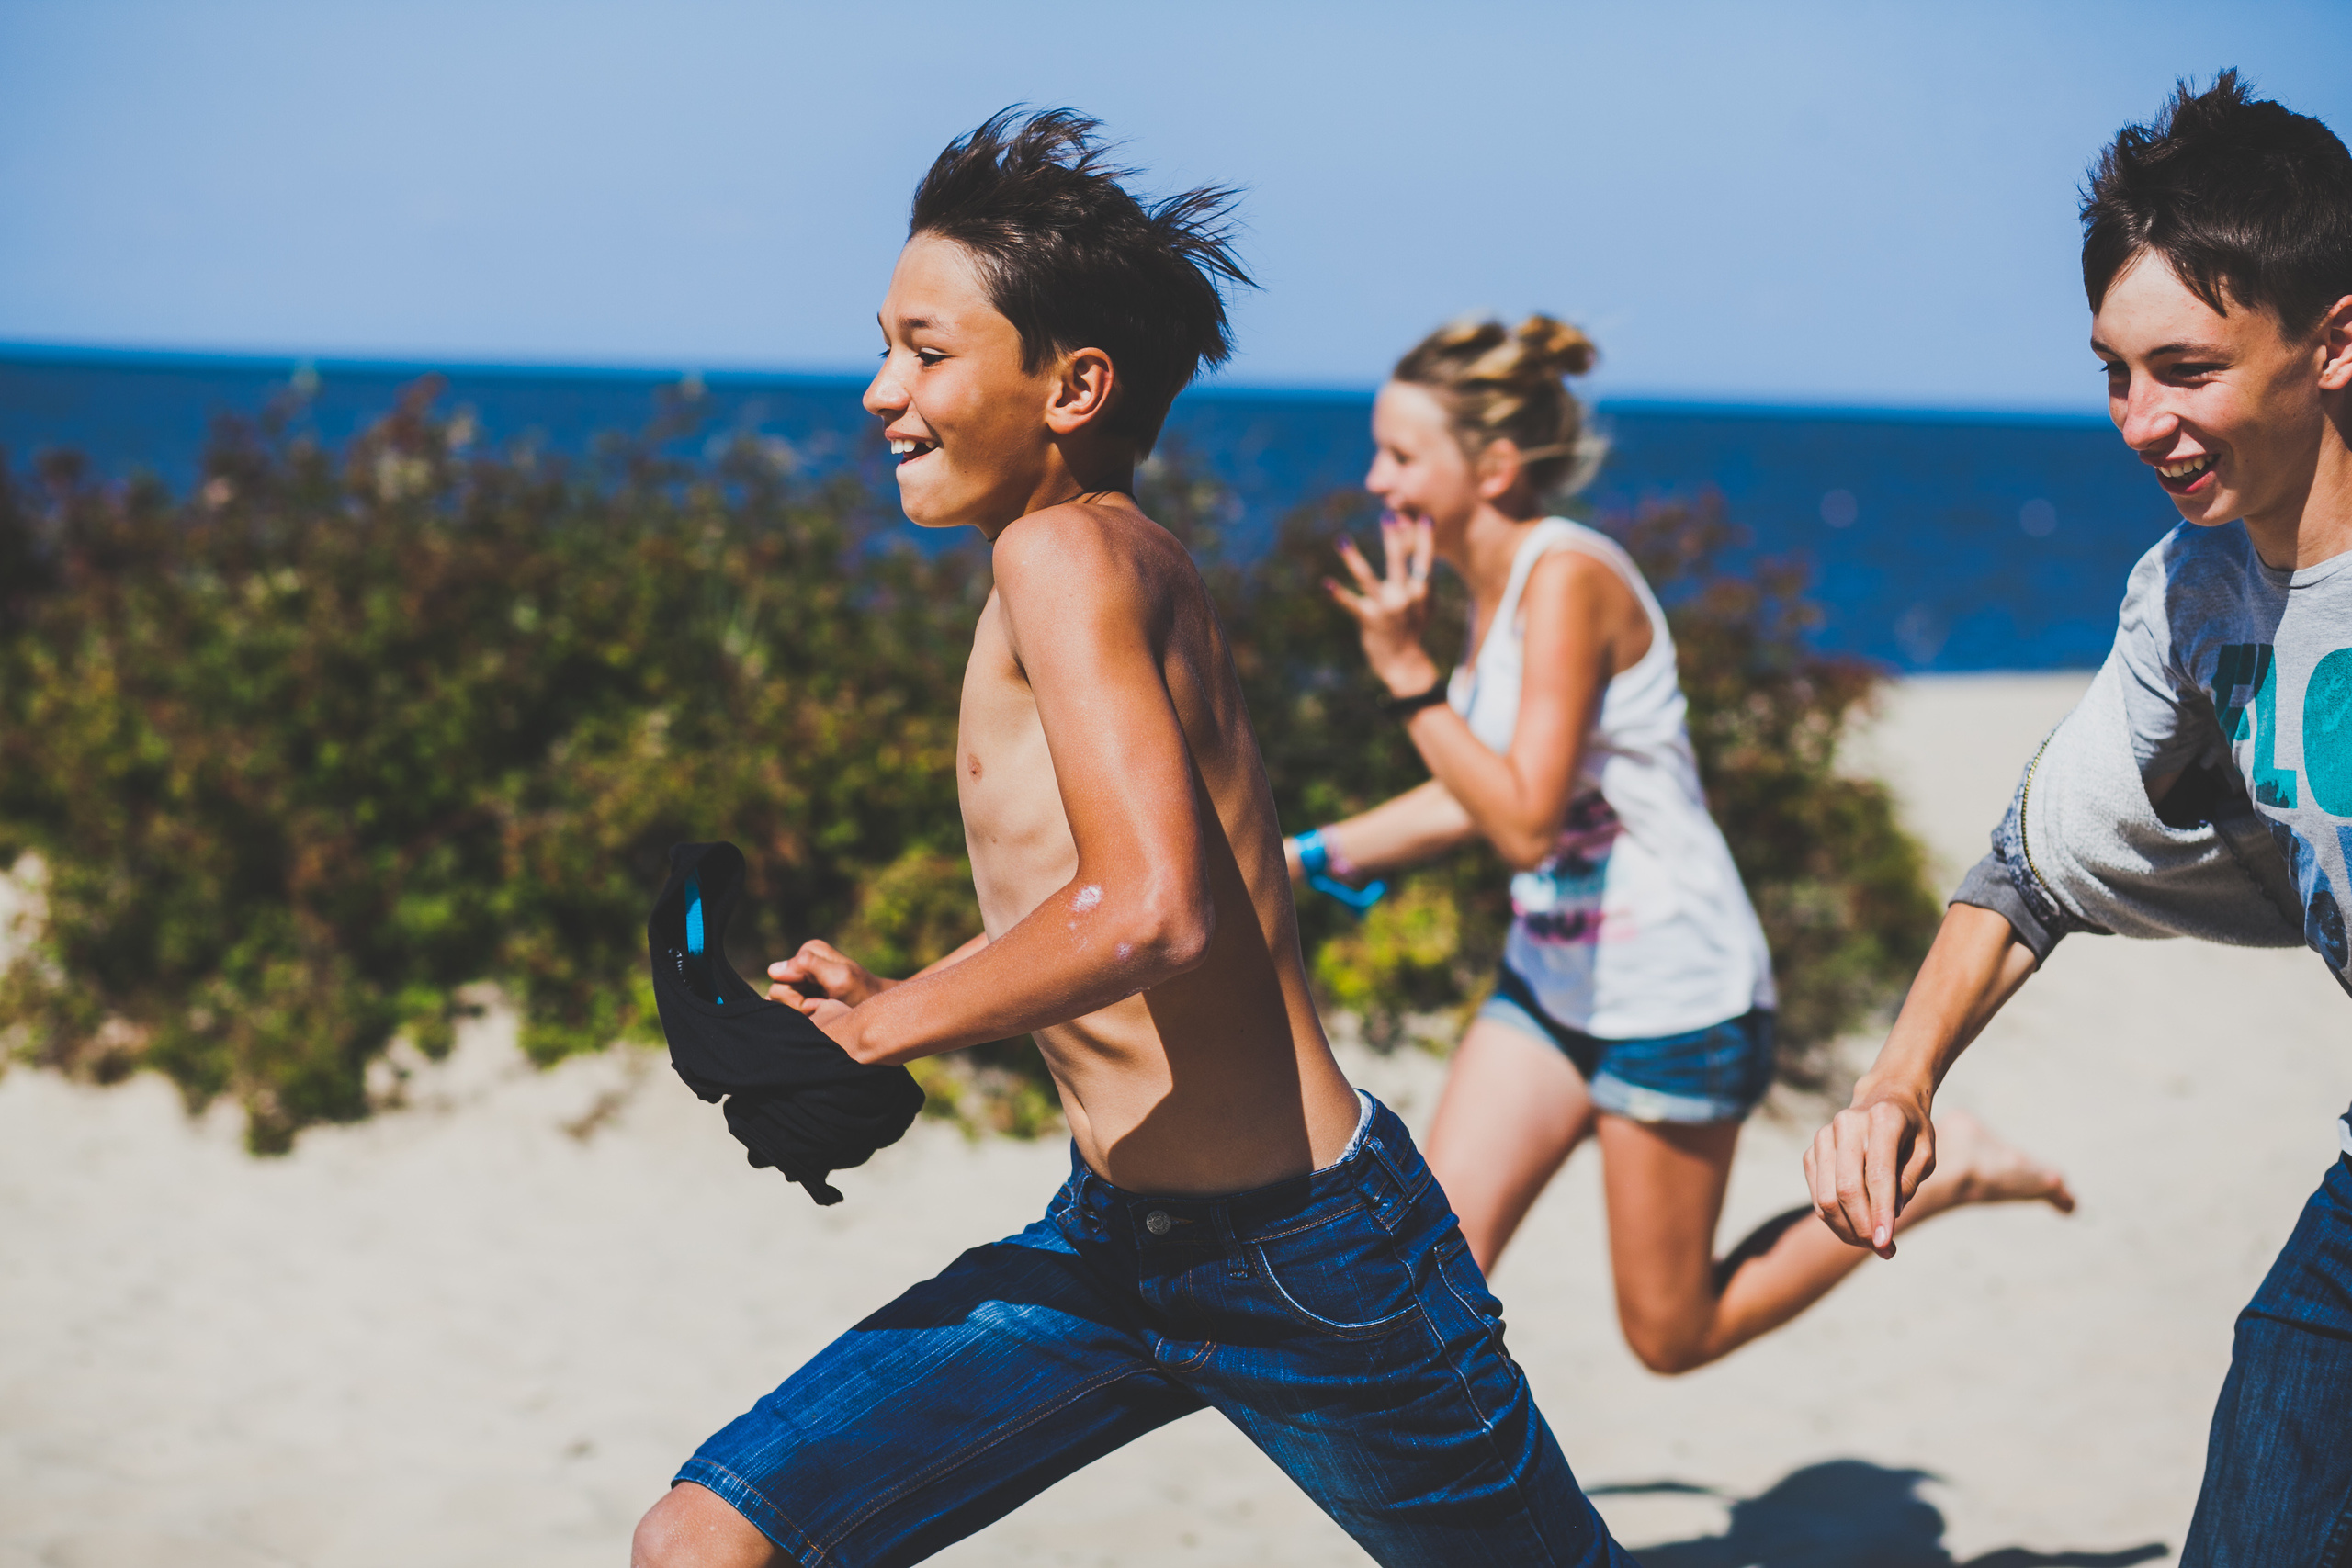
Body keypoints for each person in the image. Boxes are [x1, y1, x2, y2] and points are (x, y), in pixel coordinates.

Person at [629, 110, 1636, 1568]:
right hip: (1110, 1245)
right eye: (884, 346)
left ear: (1072, 384)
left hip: (1308, 1258)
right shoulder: (1099, 557)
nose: (878, 392)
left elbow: (1157, 907)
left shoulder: (1065, 553)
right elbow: (1096, 891)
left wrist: (889, 1029)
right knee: (705, 1538)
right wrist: (899, 995)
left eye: (925, 351)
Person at [1293, 315, 2075, 1376]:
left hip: (1675, 1001)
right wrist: (1304, 856)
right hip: (1551, 982)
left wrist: (1403, 677)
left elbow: (1520, 820)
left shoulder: (1568, 579)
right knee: (1415, 1280)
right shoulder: (1488, 590)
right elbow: (1473, 796)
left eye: (1399, 454)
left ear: (1494, 466)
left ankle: (1951, 1170)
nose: (1376, 480)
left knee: (1669, 1335)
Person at [1803, 73, 2352, 1560]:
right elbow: (2032, 867)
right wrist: (1897, 1083)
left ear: (2336, 342)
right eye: (2114, 371)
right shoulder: (2196, 598)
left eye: (2183, 368)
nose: (2138, 420)